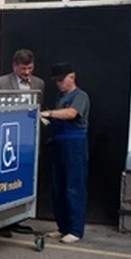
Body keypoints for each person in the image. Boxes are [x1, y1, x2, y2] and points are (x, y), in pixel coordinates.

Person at [40, 62, 90, 244]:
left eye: (62, 80)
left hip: (74, 146)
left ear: (72, 77)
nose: (59, 84)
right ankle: (63, 227)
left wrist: (49, 114)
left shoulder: (80, 96)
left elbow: (71, 114)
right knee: (58, 188)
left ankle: (76, 230)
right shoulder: (60, 97)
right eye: (57, 82)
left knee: (73, 187)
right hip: (59, 144)